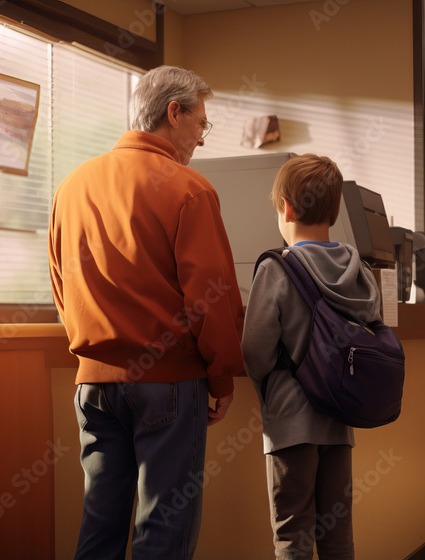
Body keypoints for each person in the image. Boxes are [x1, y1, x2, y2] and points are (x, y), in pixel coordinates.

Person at [48, 65, 245, 560]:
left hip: (93, 386)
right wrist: (222, 379)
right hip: (168, 383)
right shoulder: (189, 189)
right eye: (201, 124)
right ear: (173, 114)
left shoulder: (71, 186)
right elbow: (211, 297)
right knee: (164, 526)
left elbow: (61, 286)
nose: (201, 138)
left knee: (100, 520)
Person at [242, 154, 382, 560]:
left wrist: (269, 390)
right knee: (337, 534)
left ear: (285, 206)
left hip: (290, 423)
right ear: (335, 210)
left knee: (292, 533)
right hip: (339, 423)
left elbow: (255, 350)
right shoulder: (358, 268)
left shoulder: (277, 269)